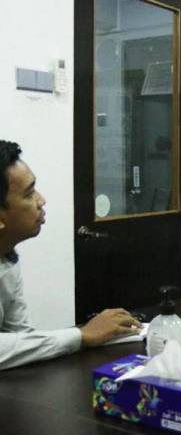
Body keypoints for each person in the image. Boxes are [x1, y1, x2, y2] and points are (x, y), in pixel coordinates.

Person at [0, 141, 141, 370]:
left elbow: (20, 339)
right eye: (29, 194)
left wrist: (87, 335)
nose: (41, 200)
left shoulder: (6, 255)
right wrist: (81, 335)